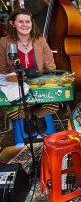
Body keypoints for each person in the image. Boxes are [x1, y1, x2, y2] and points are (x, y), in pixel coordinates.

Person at [0, 9, 58, 145]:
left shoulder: (40, 41)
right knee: (14, 112)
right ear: (12, 23)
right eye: (21, 21)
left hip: (39, 88)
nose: (25, 25)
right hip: (16, 89)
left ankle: (39, 120)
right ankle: (24, 139)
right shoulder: (4, 42)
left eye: (28, 21)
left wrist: (45, 83)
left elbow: (51, 67)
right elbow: (2, 71)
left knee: (53, 106)